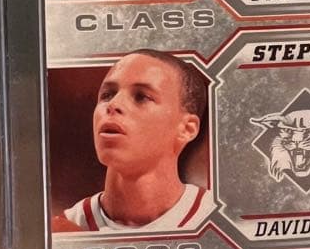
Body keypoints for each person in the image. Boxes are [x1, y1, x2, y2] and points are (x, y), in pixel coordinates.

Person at [53, 49, 214, 233]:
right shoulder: (59, 231)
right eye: (107, 94)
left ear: (187, 129)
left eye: (141, 97)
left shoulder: (219, 221)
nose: (113, 104)